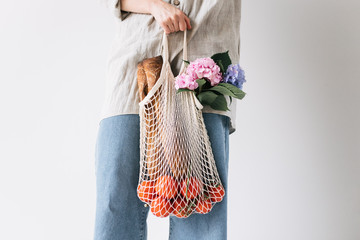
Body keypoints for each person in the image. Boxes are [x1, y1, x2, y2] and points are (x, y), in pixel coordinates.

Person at [94, 0, 242, 239]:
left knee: (200, 205)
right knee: (116, 196)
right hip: (136, 59)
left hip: (205, 62)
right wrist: (153, 5)